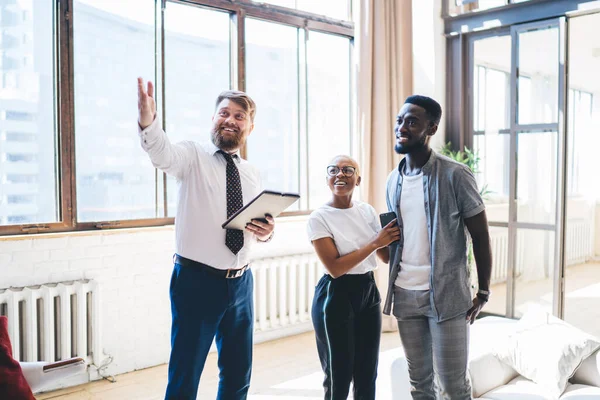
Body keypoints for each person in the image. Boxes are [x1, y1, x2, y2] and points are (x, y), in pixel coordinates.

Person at [136, 78, 275, 400]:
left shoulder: (251, 173)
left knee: (239, 371)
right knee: (186, 372)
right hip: (196, 282)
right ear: (213, 119)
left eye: (240, 116)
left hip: (242, 282)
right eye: (224, 113)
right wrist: (148, 120)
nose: (230, 120)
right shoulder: (192, 156)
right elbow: (160, 152)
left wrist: (267, 232)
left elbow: (253, 223)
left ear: (249, 128)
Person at [383, 95, 492, 399]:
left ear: (430, 128)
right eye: (400, 120)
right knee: (419, 384)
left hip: (446, 297)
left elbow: (481, 236)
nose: (402, 127)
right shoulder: (393, 181)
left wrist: (483, 291)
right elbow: (396, 238)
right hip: (405, 294)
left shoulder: (456, 174)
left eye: (412, 121)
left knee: (453, 386)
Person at [307, 155, 401, 400]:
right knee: (339, 375)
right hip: (335, 294)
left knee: (367, 372)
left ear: (358, 179)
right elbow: (335, 268)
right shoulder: (319, 217)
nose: (341, 174)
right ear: (327, 179)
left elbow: (384, 257)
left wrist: (396, 235)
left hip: (368, 290)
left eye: (348, 170)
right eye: (334, 170)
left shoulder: (367, 211)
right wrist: (375, 242)